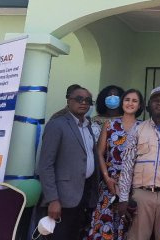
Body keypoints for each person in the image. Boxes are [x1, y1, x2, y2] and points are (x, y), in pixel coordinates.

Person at [116, 86, 160, 240]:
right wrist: (123, 198)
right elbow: (127, 166)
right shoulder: (137, 129)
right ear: (149, 105)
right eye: (156, 100)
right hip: (141, 195)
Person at [38, 86, 98, 240]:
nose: (83, 103)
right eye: (79, 99)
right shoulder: (57, 125)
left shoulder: (88, 126)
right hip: (62, 198)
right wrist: (53, 199)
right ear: (69, 100)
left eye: (87, 100)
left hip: (83, 194)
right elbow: (46, 165)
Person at [86, 89, 143, 240]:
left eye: (134, 101)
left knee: (129, 225)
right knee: (105, 223)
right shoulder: (109, 125)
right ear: (122, 102)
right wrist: (106, 177)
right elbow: (99, 153)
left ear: (140, 105)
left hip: (133, 185)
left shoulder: (144, 127)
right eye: (127, 99)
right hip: (109, 183)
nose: (130, 103)